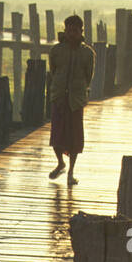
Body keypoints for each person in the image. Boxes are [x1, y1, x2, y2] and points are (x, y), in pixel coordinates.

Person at [47, 14, 95, 186]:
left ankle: (71, 172)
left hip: (75, 100)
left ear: (81, 31)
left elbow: (88, 76)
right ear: (65, 30)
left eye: (75, 31)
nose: (72, 34)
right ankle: (60, 162)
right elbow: (53, 72)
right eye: (69, 30)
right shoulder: (56, 51)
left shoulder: (87, 53)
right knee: (57, 135)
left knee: (75, 138)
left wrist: (78, 90)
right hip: (59, 96)